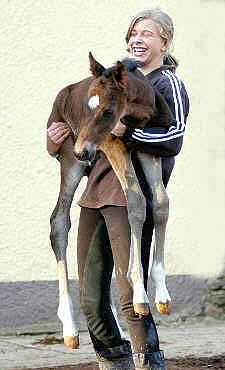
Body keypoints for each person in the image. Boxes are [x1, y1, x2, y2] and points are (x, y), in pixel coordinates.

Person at [47, 8, 189, 370]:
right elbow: (88, 125)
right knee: (91, 298)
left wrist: (130, 133)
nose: (136, 40)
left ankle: (149, 364)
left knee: (130, 297)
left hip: (131, 198)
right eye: (132, 35)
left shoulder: (164, 84)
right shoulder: (117, 82)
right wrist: (56, 137)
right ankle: (115, 363)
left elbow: (173, 138)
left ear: (164, 42)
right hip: (93, 194)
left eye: (146, 34)